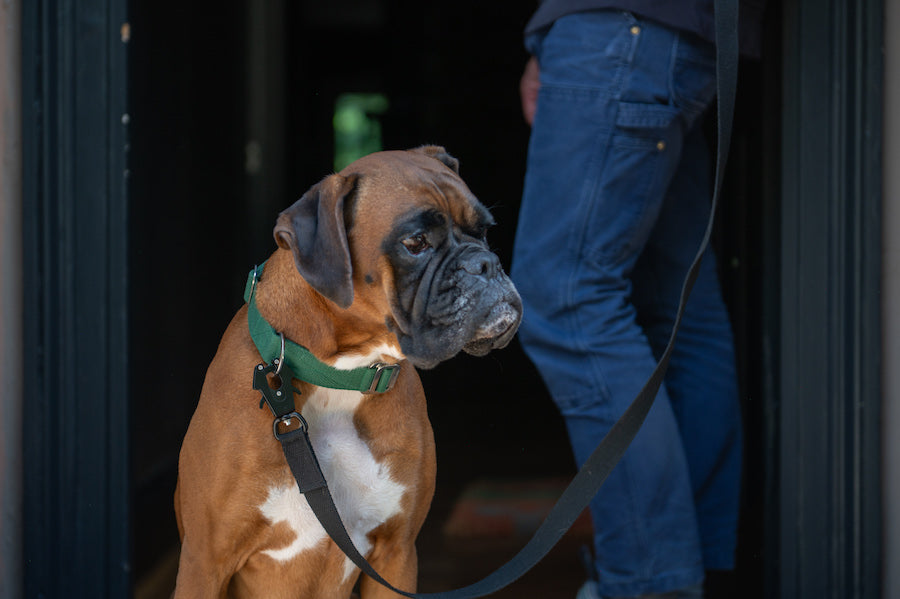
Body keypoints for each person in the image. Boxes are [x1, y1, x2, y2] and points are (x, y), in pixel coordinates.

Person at [511, 3, 763, 598]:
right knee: (675, 308)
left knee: (567, 303)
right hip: (675, 33)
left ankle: (652, 584)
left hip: (620, 27)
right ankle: (695, 567)